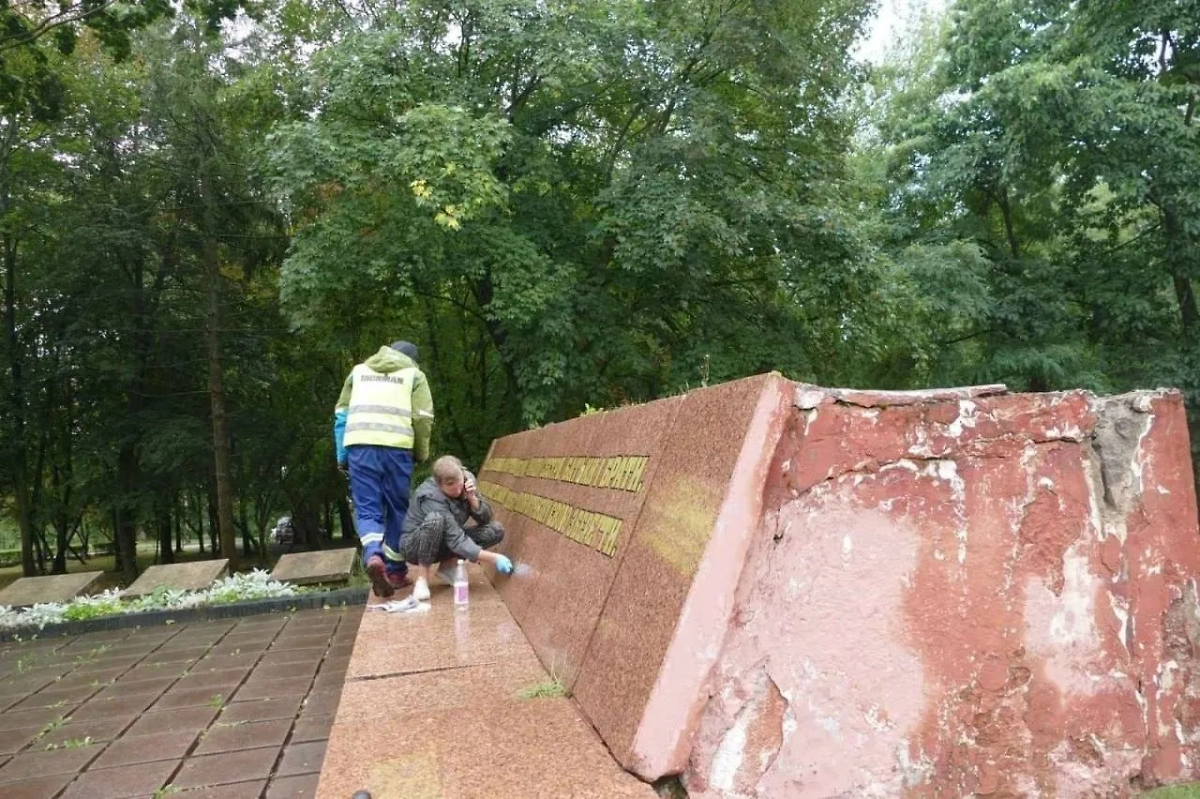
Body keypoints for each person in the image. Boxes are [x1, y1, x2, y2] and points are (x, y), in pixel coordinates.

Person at [333, 340, 434, 599]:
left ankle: (372, 555)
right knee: (398, 509)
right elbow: (422, 417)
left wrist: (343, 455)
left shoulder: (358, 372)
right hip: (397, 450)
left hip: (360, 447)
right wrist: (421, 452)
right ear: (412, 359)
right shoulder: (414, 375)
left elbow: (341, 415)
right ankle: (396, 572)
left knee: (368, 509)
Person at [400, 455, 513, 601]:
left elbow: (486, 518)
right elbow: (456, 540)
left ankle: (447, 567)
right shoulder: (430, 497)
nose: (459, 491)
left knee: (494, 530)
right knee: (435, 520)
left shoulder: (466, 481)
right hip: (415, 546)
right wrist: (495, 558)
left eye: (460, 485)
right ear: (439, 484)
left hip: (446, 539)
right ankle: (422, 580)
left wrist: (472, 498)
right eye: (452, 489)